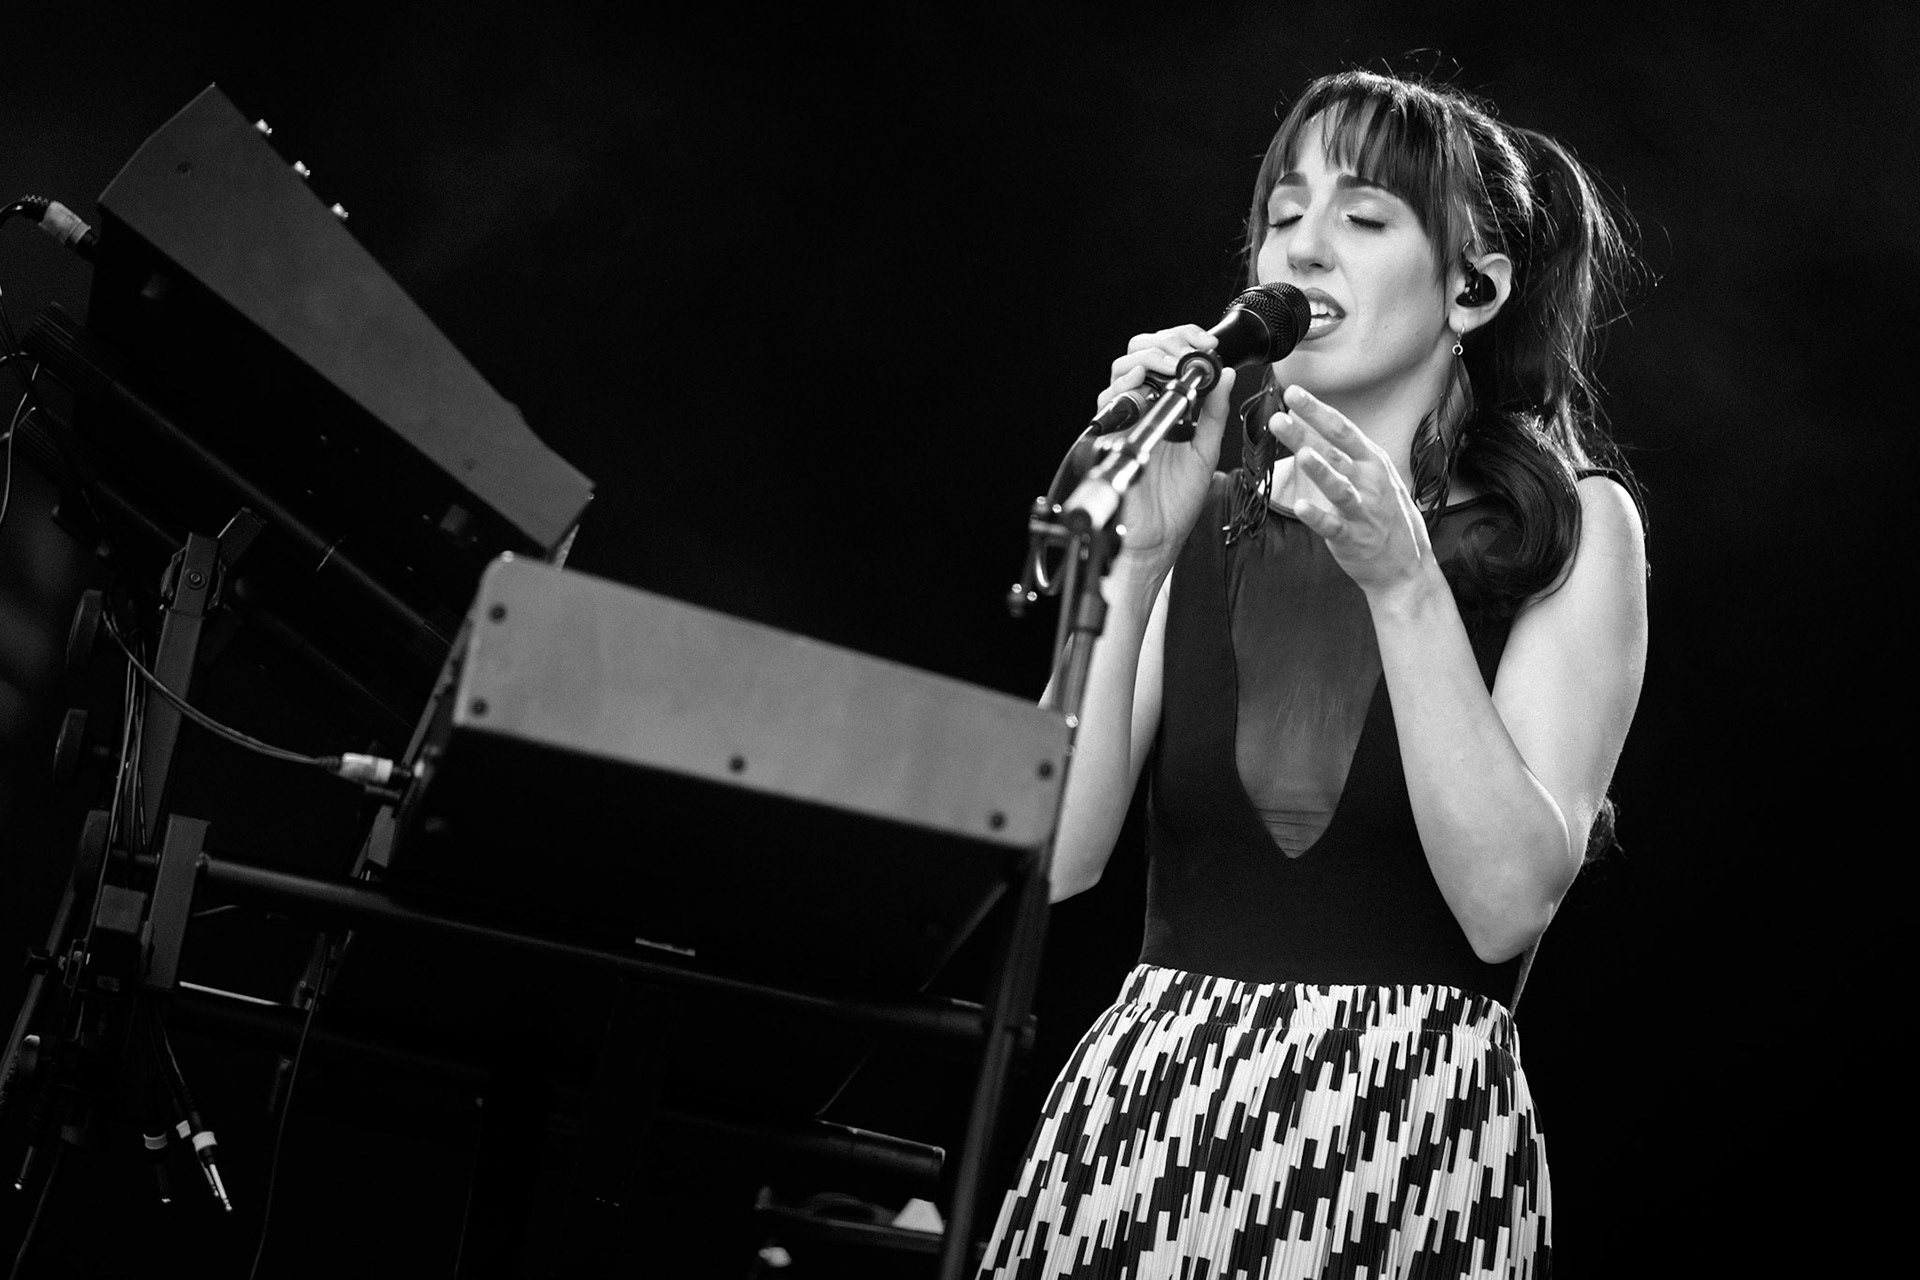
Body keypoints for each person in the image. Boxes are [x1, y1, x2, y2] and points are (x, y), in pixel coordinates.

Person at [977, 68, 1647, 1279]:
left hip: (1407, 1129)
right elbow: (1051, 860)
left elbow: (1505, 901)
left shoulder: (1576, 531)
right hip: (1151, 1109)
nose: (1305, 248)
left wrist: (1403, 581)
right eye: (1285, 215)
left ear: (1475, 286)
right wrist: (1133, 561)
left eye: (1365, 216)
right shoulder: (1204, 517)